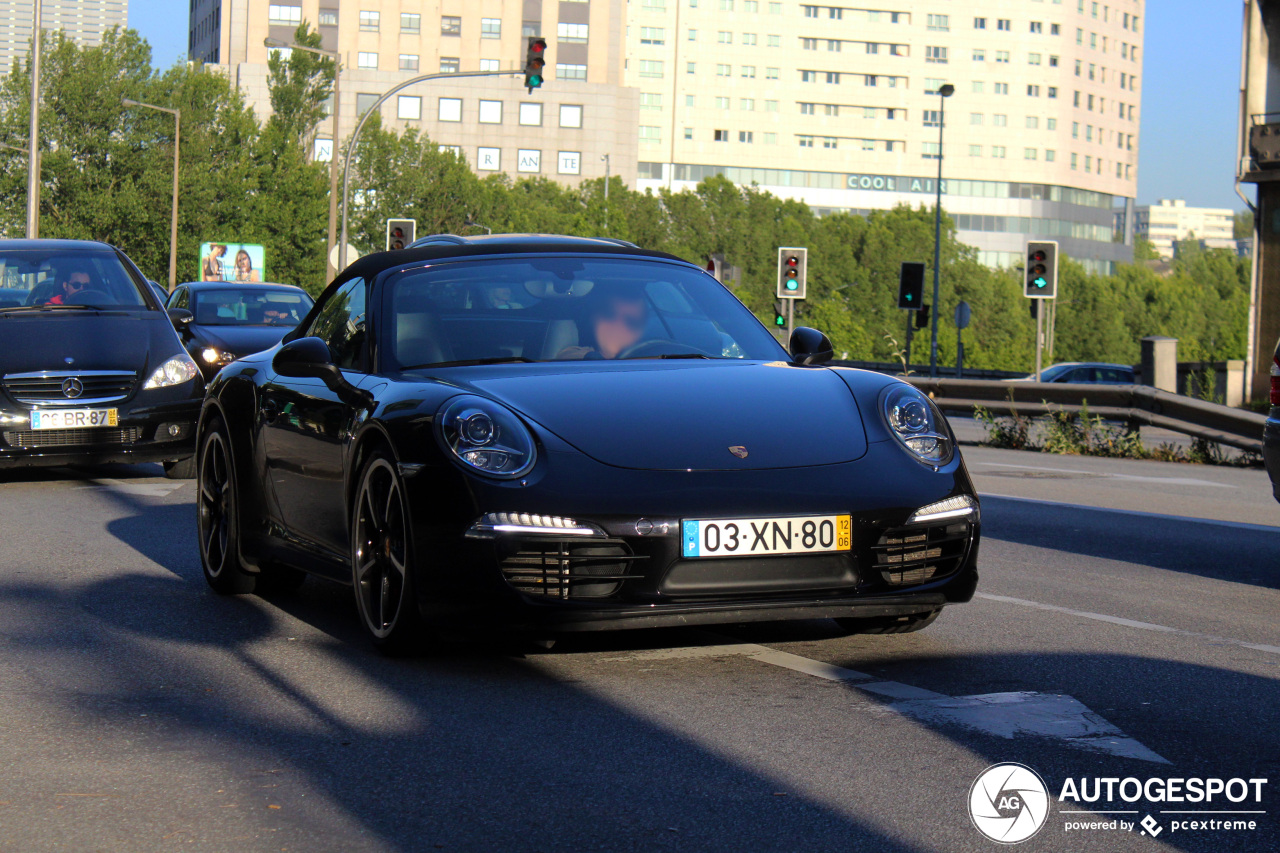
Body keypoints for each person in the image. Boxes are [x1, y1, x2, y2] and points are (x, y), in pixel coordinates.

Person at [556, 292, 648, 360]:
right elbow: (565, 356)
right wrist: (592, 357)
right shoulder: (582, 353)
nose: (618, 327)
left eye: (631, 322)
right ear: (594, 322)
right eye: (610, 316)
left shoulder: (649, 358)